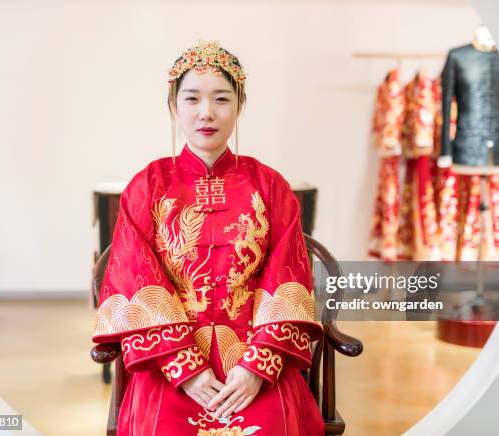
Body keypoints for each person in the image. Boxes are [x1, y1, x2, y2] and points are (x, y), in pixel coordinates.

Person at [91, 40, 324, 436]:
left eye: (221, 99)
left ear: (239, 105)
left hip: (255, 359)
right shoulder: (147, 185)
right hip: (169, 364)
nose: (206, 113)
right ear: (174, 106)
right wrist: (184, 370)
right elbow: (136, 282)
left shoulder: (269, 186)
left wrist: (257, 368)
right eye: (192, 98)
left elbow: (288, 280)